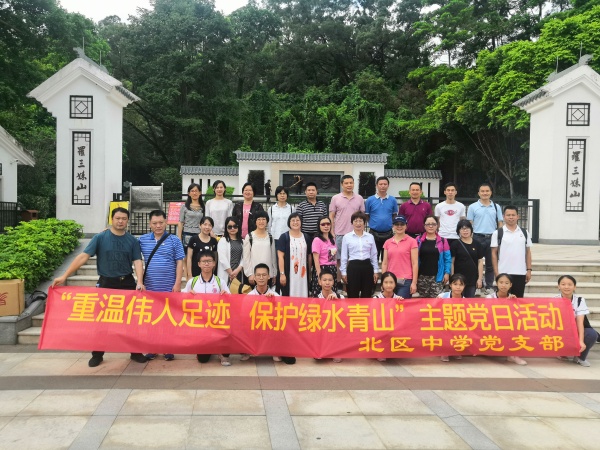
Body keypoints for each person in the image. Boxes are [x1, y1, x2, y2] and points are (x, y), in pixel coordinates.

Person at [51, 207, 147, 367]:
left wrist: (140, 281)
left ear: (127, 221)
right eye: (118, 218)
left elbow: (137, 261)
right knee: (102, 321)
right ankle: (97, 354)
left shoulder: (132, 240)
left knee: (131, 320)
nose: (121, 221)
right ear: (112, 219)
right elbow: (83, 256)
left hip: (127, 283)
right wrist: (65, 275)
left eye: (124, 219)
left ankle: (135, 352)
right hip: (106, 283)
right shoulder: (100, 238)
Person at [139, 210, 185, 362]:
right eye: (154, 223)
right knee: (152, 318)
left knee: (168, 318)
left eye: (161, 222)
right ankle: (152, 348)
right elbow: (133, 254)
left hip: (169, 287)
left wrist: (177, 283)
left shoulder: (174, 240)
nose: (158, 226)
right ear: (149, 224)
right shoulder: (142, 240)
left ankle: (168, 347)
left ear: (166, 223)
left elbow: (180, 262)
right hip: (150, 288)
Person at [182, 250, 232, 366]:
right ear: (199, 264)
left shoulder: (220, 282)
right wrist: (188, 294)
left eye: (209, 261)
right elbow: (182, 297)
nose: (206, 264)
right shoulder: (192, 282)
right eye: (204, 261)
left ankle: (223, 354)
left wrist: (226, 295)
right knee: (203, 360)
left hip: (217, 321)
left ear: (214, 263)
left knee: (228, 331)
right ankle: (206, 348)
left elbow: (231, 300)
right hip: (200, 322)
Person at [245, 263, 296, 365]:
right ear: (254, 277)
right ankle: (248, 349)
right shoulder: (249, 296)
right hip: (254, 328)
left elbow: (282, 318)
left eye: (264, 275)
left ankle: (275, 350)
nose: (261, 278)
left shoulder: (276, 295)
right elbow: (244, 317)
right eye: (258, 275)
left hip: (270, 329)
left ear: (269, 276)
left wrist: (272, 303)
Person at [467, 183, 503, 294]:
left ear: (491, 192)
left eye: (487, 191)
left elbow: (500, 223)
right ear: (478, 193)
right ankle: (477, 285)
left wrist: (500, 237)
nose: (485, 193)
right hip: (477, 237)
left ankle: (489, 286)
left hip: (492, 238)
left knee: (490, 264)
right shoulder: (473, 207)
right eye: (482, 191)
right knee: (475, 263)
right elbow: (469, 223)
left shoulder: (496, 207)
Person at [329, 175, 365, 286]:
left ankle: (349, 283)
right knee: (338, 260)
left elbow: (362, 216)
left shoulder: (359, 198)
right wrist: (332, 231)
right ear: (342, 184)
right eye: (346, 183)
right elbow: (331, 215)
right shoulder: (335, 198)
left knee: (352, 260)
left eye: (351, 183)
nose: (349, 185)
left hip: (355, 235)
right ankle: (338, 282)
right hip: (339, 234)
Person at [490, 205, 532, 298]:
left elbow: (528, 252)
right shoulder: (498, 233)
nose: (511, 217)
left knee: (518, 300)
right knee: (502, 300)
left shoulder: (524, 232)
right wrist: (496, 273)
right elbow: (493, 253)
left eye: (513, 215)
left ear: (518, 216)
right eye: (508, 215)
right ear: (504, 217)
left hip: (520, 272)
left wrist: (529, 270)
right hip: (503, 272)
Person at [485, 273, 527, 365]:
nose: (503, 285)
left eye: (506, 283)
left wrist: (514, 302)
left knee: (517, 326)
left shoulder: (512, 297)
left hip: (506, 324)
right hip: (492, 325)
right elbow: (489, 313)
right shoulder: (490, 297)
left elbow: (516, 314)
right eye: (501, 282)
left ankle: (513, 355)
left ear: (511, 285)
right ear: (497, 283)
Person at [555, 275, 596, 367]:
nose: (566, 287)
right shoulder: (554, 300)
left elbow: (580, 322)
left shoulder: (579, 300)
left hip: (575, 329)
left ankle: (579, 357)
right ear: (558, 286)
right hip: (561, 330)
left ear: (574, 287)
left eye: (570, 284)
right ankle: (561, 352)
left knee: (592, 334)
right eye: (563, 284)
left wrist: (581, 341)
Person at [340, 211, 379, 298]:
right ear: (352, 223)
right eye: (355, 221)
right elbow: (344, 256)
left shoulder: (370, 236)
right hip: (353, 267)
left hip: (367, 266)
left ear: (364, 223)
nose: (358, 223)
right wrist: (343, 272)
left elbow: (373, 255)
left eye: (360, 221)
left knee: (367, 294)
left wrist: (376, 271)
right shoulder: (347, 237)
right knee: (352, 294)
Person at [381, 215, 418, 299]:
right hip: (390, 280)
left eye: (402, 224)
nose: (399, 226)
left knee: (401, 304)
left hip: (405, 280)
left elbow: (415, 263)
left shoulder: (412, 241)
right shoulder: (387, 242)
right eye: (397, 224)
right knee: (390, 305)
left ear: (406, 226)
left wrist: (414, 282)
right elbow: (385, 263)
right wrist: (383, 281)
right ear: (393, 226)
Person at [416, 216, 451, 298]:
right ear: (424, 226)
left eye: (433, 224)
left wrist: (447, 273)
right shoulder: (418, 240)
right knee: (423, 302)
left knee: (437, 302)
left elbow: (447, 259)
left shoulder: (443, 241)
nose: (431, 226)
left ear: (437, 225)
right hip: (422, 277)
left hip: (437, 277)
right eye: (428, 224)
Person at [365, 176, 397, 261]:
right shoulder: (370, 200)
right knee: (373, 258)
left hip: (388, 233)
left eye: (385, 184)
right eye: (380, 184)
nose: (383, 186)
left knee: (387, 258)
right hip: (373, 233)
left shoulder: (392, 200)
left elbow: (394, 215)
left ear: (388, 185)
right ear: (376, 185)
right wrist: (373, 223)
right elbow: (367, 215)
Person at [277, 213, 309, 297]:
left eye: (297, 220)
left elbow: (309, 256)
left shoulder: (306, 237)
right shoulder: (284, 237)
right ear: (289, 222)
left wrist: (309, 273)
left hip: (303, 274)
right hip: (289, 273)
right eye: (293, 220)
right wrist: (282, 274)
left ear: (301, 222)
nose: (295, 222)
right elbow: (280, 257)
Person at [243, 211, 277, 287]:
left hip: (267, 275)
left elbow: (273, 257)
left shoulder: (270, 237)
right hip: (254, 275)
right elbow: (246, 258)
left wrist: (274, 273)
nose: (261, 222)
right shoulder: (250, 237)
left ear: (267, 221)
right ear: (255, 221)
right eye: (259, 219)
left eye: (263, 219)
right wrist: (249, 274)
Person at [450, 219, 483, 298]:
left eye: (467, 228)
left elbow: (480, 261)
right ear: (458, 231)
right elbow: (452, 262)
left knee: (469, 301)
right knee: (457, 301)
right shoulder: (455, 244)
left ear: (471, 230)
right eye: (462, 229)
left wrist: (480, 279)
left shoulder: (477, 244)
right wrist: (452, 278)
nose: (465, 231)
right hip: (458, 280)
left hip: (472, 279)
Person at [316, 269, 343, 363]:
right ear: (320, 282)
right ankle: (320, 348)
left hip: (336, 329)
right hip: (322, 328)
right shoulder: (315, 299)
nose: (327, 283)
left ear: (333, 282)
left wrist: (337, 303)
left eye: (330, 280)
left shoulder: (340, 297)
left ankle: (337, 350)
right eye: (324, 280)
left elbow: (346, 315)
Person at [438, 273, 466, 362]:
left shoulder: (466, 300)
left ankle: (456, 349)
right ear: (450, 285)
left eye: (461, 285)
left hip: (458, 323)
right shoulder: (442, 296)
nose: (458, 287)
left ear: (464, 286)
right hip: (444, 322)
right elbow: (434, 310)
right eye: (455, 284)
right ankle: (444, 351)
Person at [310, 216, 338, 297]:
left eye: (328, 224)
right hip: (322, 269)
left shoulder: (332, 239)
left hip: (332, 269)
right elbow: (316, 260)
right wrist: (319, 275)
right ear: (319, 226)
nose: (326, 226)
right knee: (320, 295)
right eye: (323, 224)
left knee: (332, 294)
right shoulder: (317, 240)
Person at [435, 182, 466, 248]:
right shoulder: (439, 206)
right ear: (445, 192)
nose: (450, 192)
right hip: (442, 235)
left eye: (452, 190)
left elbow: (462, 222)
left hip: (456, 236)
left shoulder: (461, 206)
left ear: (455, 192)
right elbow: (437, 221)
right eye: (448, 190)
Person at [217, 216, 244, 290]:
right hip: (226, 272)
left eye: (235, 226)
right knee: (225, 292)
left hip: (238, 272)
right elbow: (222, 258)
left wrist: (237, 270)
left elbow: (244, 258)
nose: (232, 228)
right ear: (226, 228)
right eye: (230, 227)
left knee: (237, 293)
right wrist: (231, 273)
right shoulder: (222, 240)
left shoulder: (243, 242)